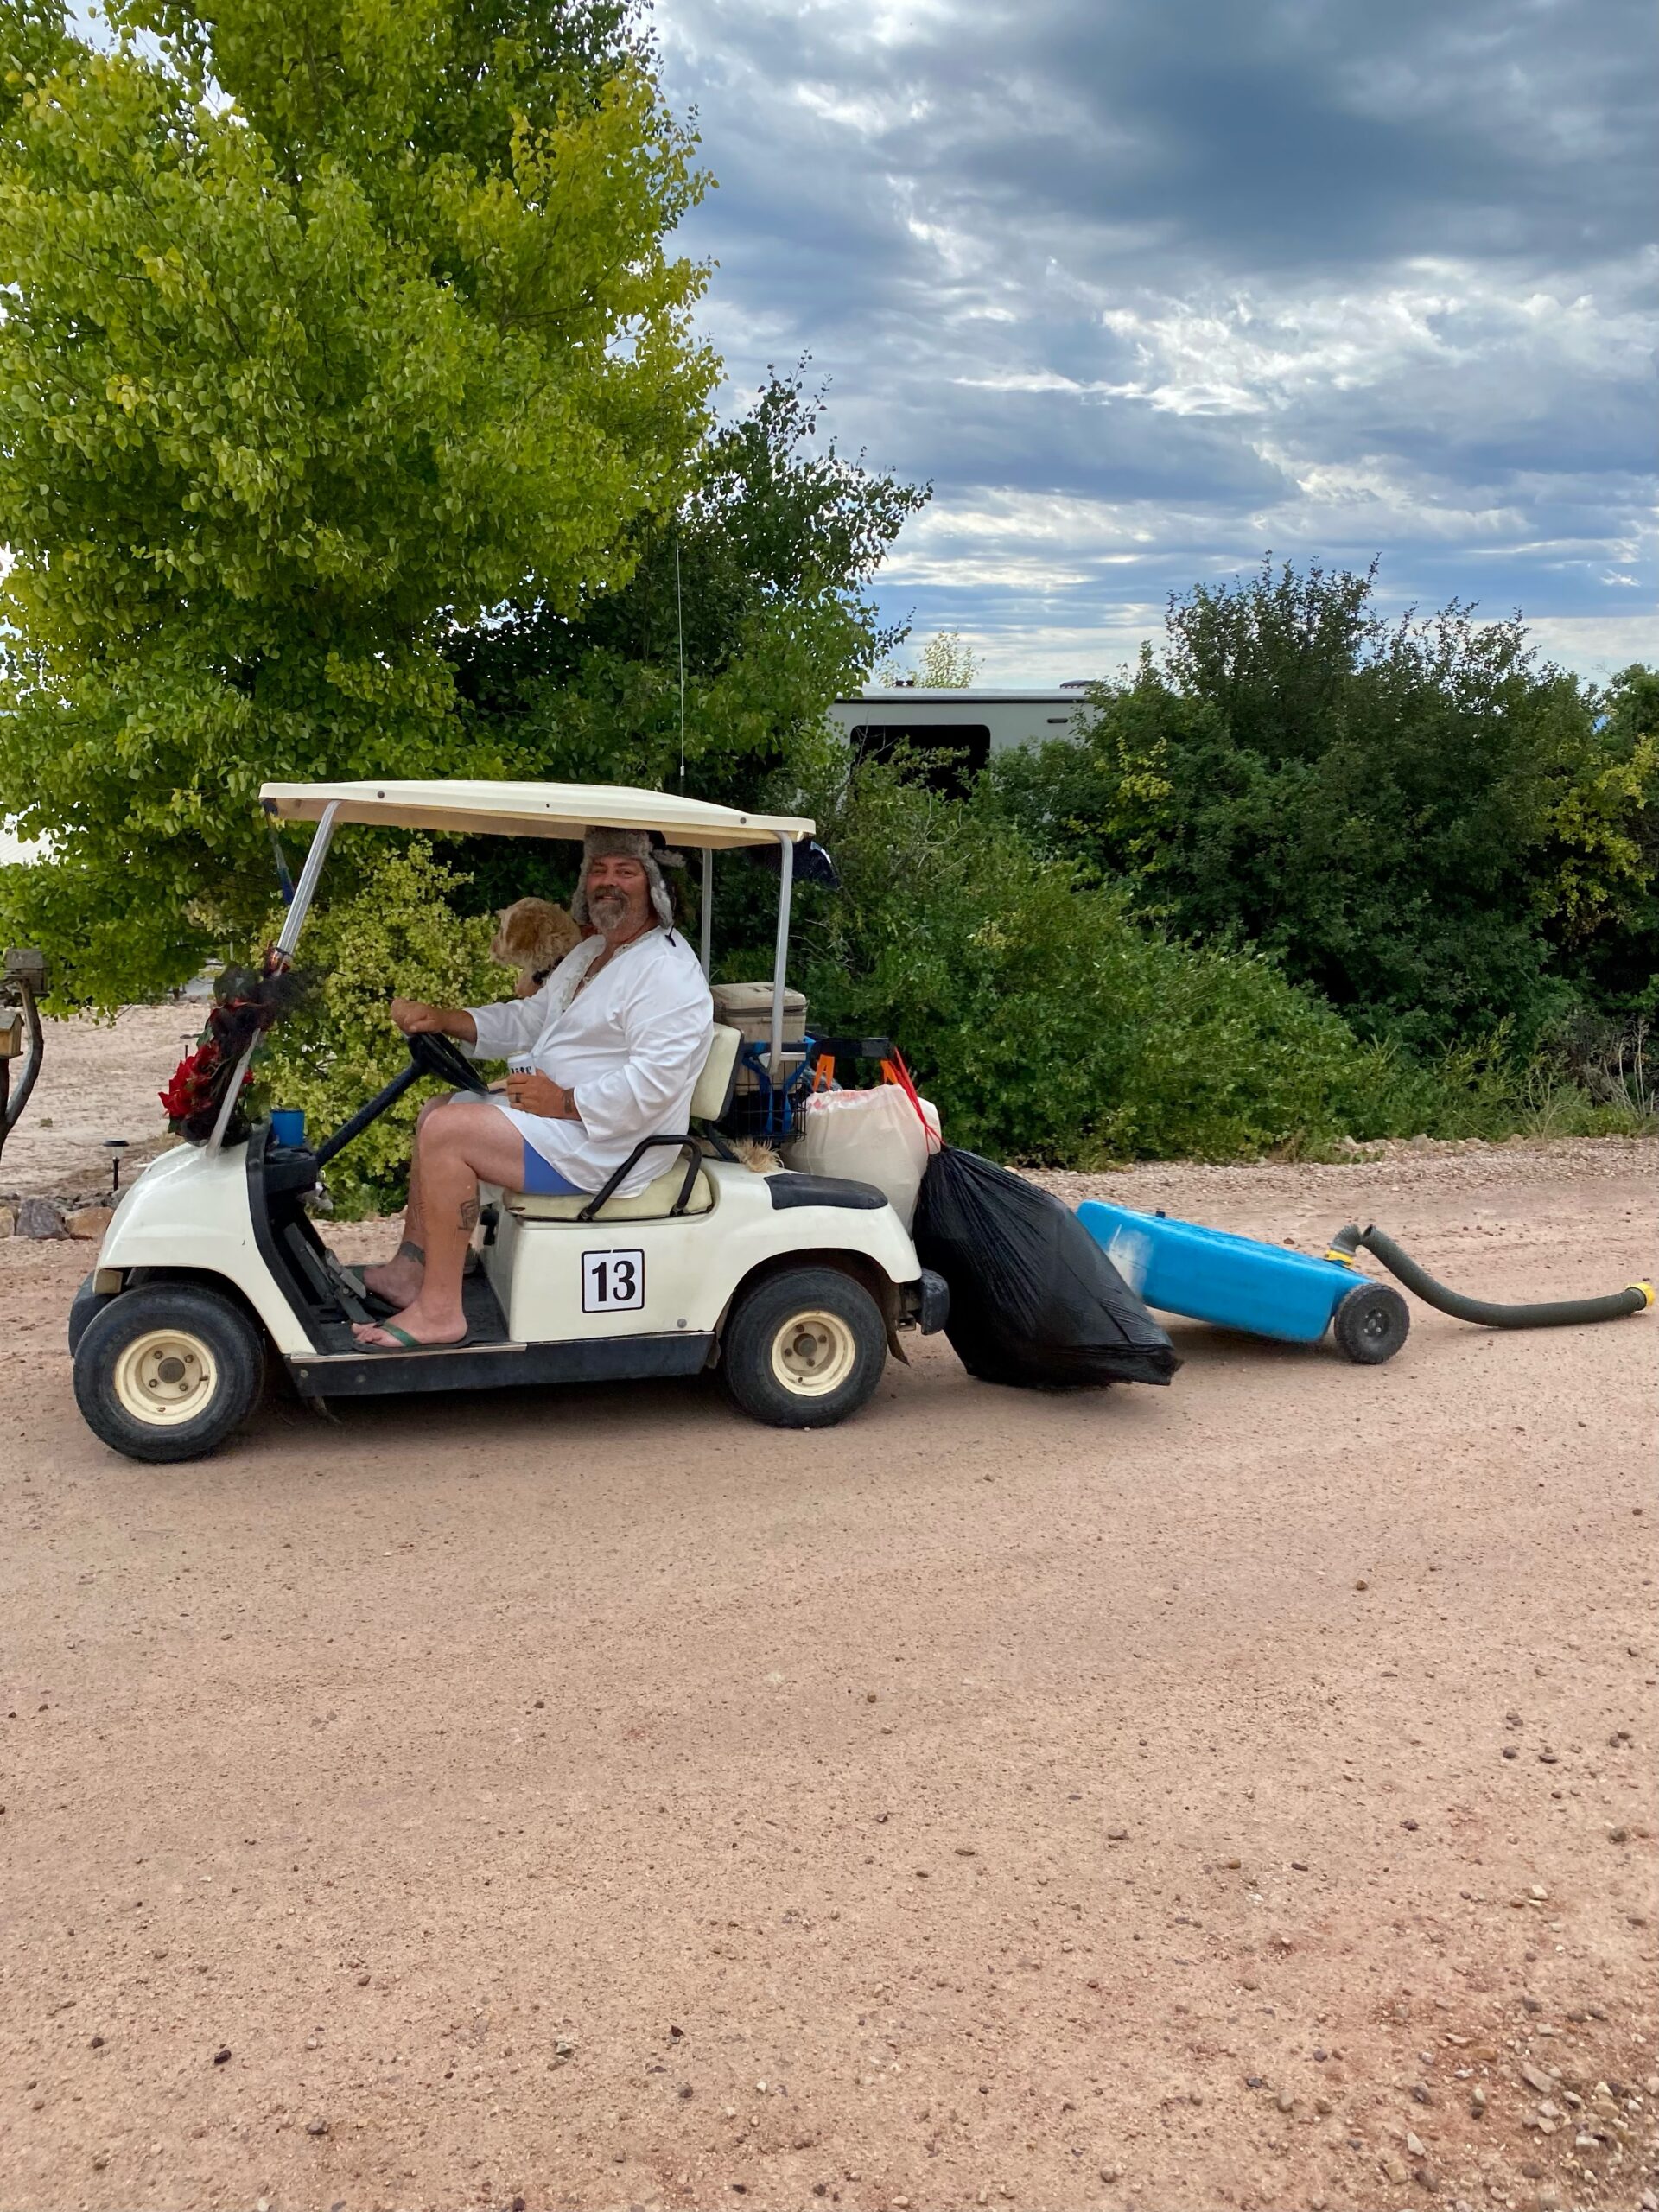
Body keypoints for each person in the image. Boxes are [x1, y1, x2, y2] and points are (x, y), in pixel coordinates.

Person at [353, 830, 714, 1351]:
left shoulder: (668, 974)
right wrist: (448, 1020)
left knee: (450, 1134)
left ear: (655, 885)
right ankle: (413, 1266)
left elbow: (654, 1086)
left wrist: (565, 1102)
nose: (607, 882)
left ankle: (439, 1313)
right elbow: (531, 1018)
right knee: (438, 1108)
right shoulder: (595, 951)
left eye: (625, 871)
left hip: (610, 1144)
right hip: (562, 1122)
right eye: (599, 869)